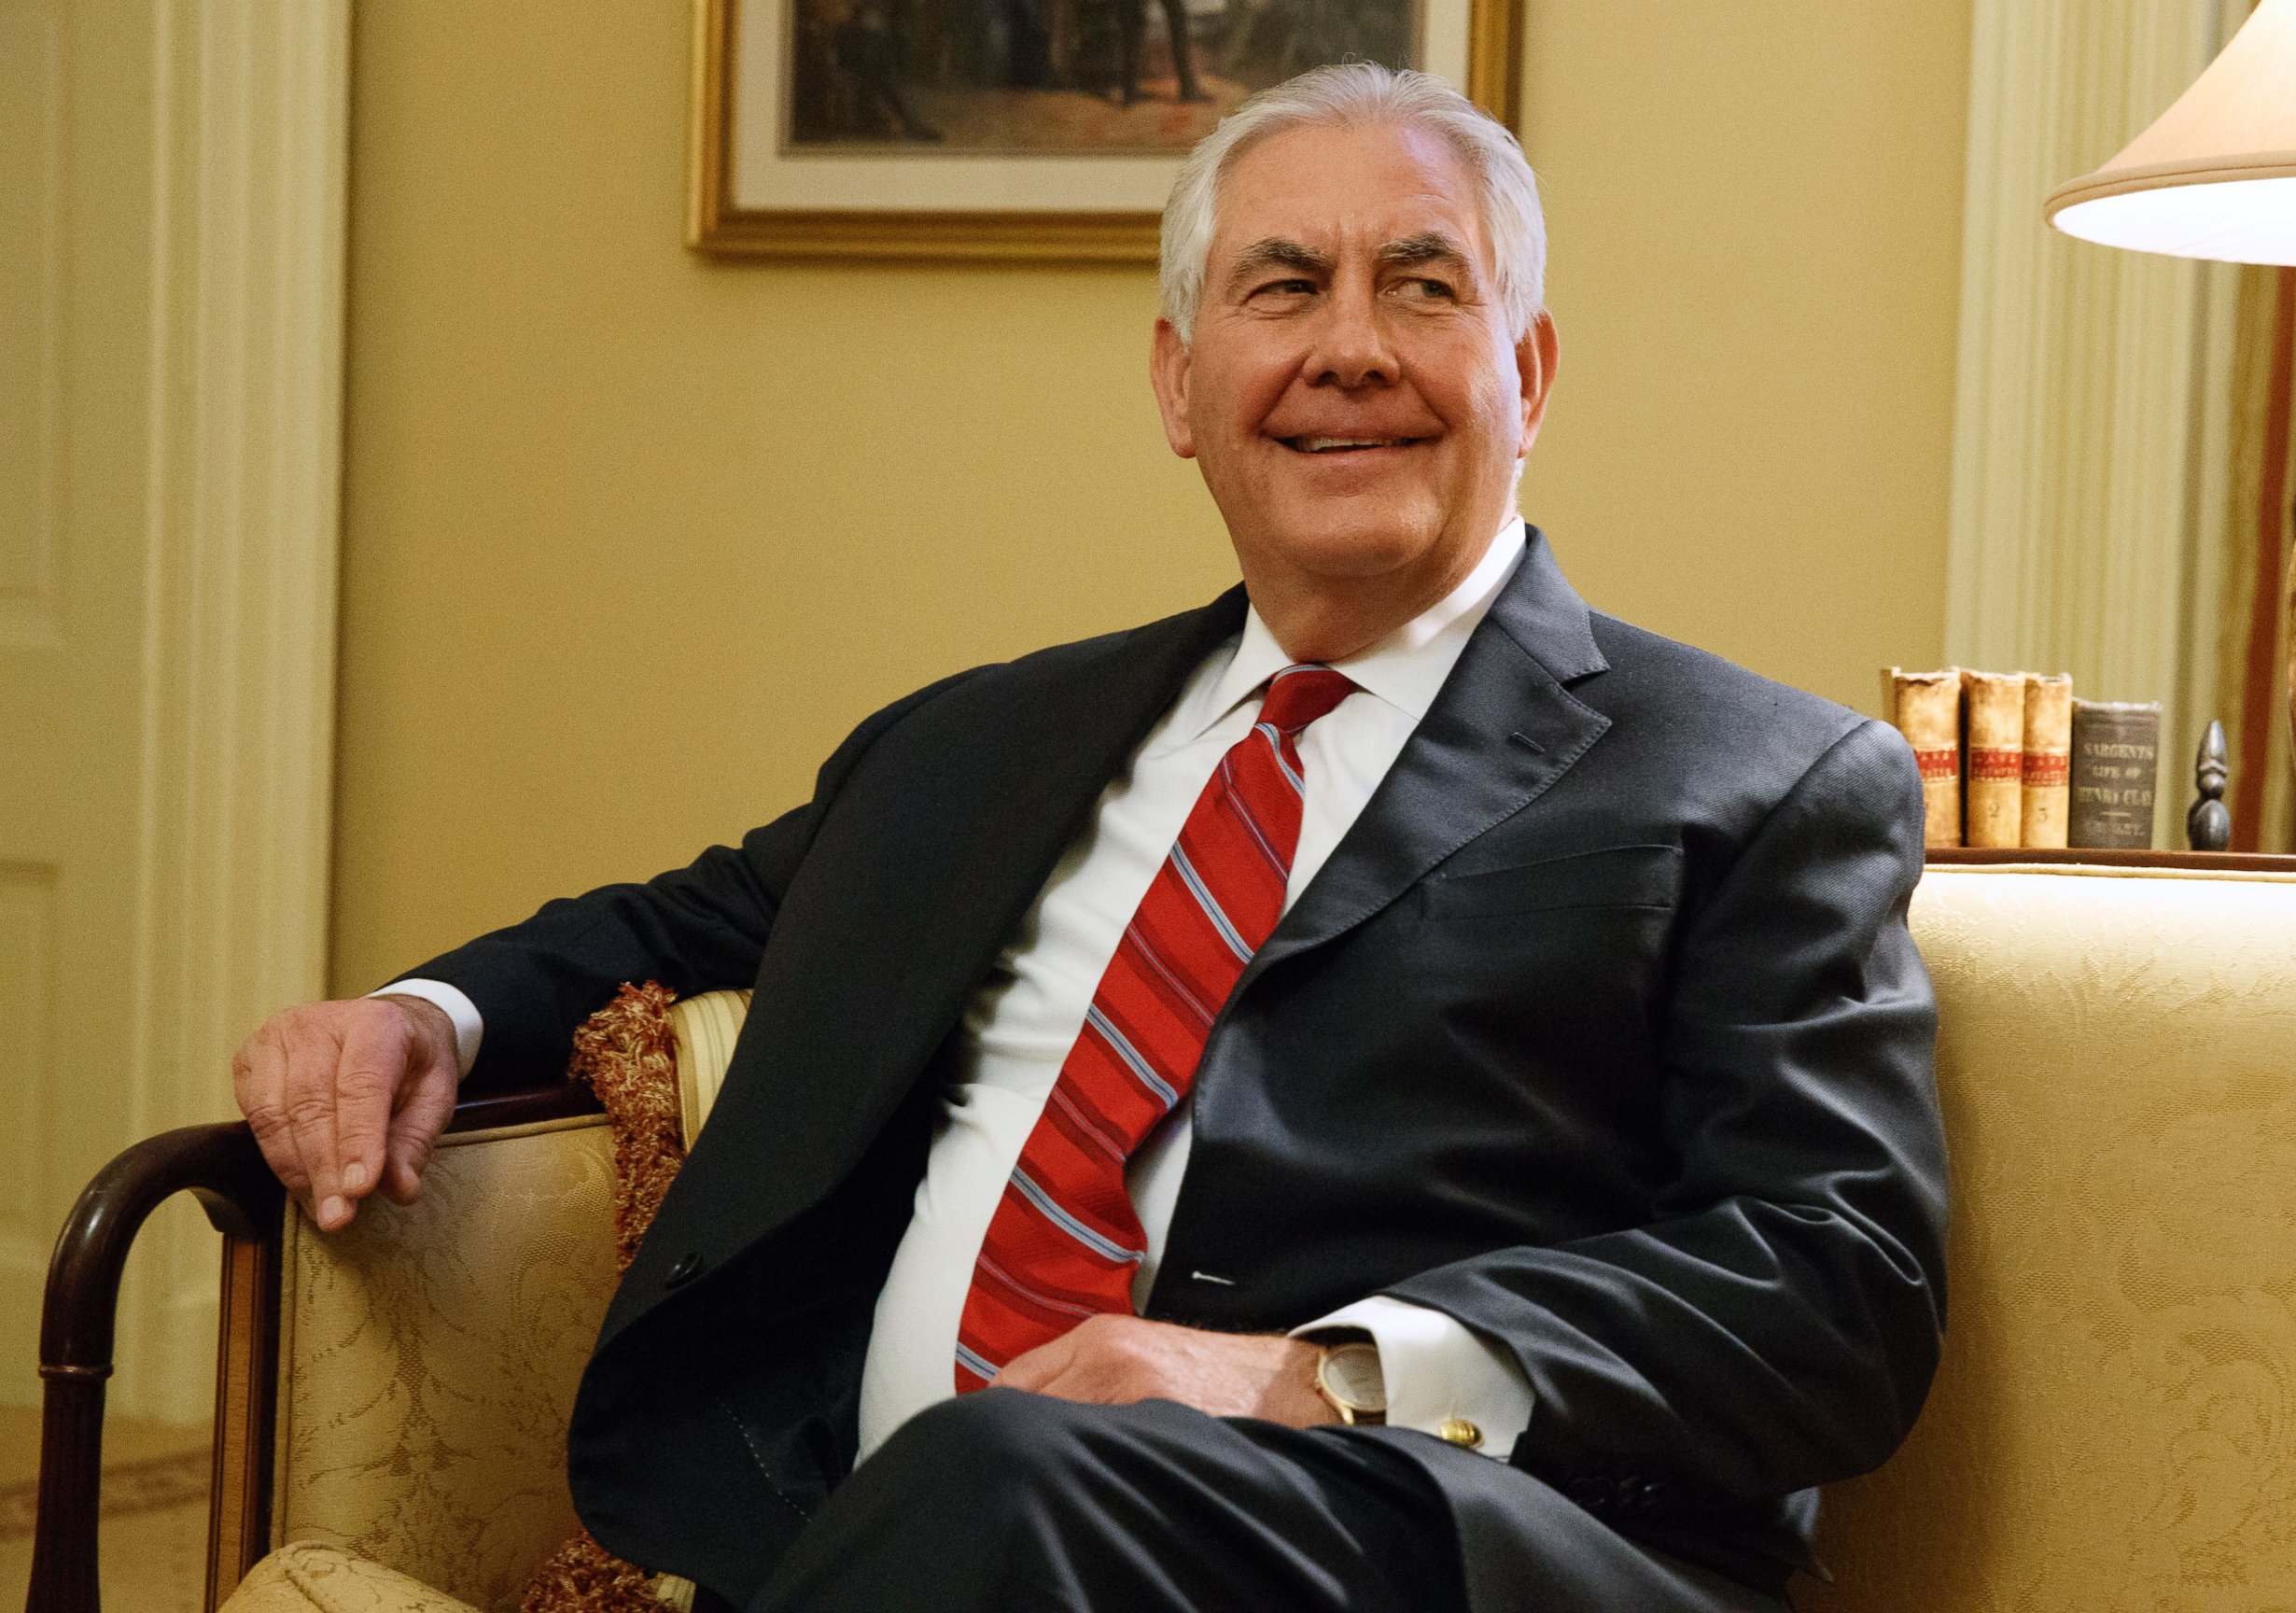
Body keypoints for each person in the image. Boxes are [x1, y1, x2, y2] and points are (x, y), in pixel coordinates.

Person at [232, 64, 1948, 1613]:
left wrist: (1303, 1374)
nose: (1349, 344)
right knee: (971, 1486)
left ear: (1531, 370)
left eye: (1424, 286)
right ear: (1181, 384)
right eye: (1282, 287)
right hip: (877, 1529)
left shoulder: (1757, 780)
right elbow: (684, 929)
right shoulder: (980, 742)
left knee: (998, 1470)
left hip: (1432, 1547)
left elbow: (1837, 1281)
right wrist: (416, 1017)